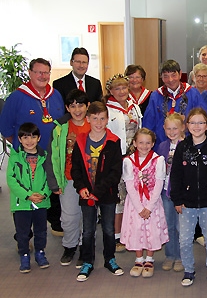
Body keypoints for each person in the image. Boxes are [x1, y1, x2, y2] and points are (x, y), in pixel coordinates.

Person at [0, 57, 65, 236]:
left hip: (51, 155)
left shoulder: (55, 94)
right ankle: (24, 233)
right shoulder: (17, 97)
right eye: (39, 72)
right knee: (24, 191)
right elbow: (5, 127)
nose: (43, 76)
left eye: (46, 72)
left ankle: (54, 224)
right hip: (25, 155)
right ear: (30, 73)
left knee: (49, 188)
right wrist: (22, 145)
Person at [71, 101, 124, 282]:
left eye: (102, 118)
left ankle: (110, 259)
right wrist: (82, 188)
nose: (99, 123)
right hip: (86, 194)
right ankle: (87, 261)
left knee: (109, 229)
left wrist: (98, 191)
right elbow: (75, 168)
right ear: (88, 119)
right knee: (88, 230)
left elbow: (115, 172)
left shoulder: (114, 142)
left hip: (106, 194)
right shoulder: (80, 141)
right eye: (95, 119)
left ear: (107, 119)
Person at [170, 108, 207, 288]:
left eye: (201, 123)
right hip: (187, 203)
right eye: (193, 123)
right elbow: (175, 175)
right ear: (186, 125)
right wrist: (177, 199)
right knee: (185, 239)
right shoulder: (183, 146)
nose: (197, 126)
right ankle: (188, 270)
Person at [44, 89, 90, 268]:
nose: (77, 110)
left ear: (87, 106)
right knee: (69, 216)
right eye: (73, 106)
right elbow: (51, 156)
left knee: (88, 217)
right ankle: (70, 246)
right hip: (68, 178)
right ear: (67, 108)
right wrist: (54, 182)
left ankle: (86, 247)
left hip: (89, 180)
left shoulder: (94, 125)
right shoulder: (60, 128)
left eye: (80, 105)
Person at [121, 128, 169, 278]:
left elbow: (159, 184)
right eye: (141, 142)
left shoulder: (158, 160)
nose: (144, 146)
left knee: (151, 229)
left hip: (152, 202)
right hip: (135, 203)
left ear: (153, 143)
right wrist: (139, 207)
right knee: (136, 228)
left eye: (148, 143)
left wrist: (149, 207)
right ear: (134, 143)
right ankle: (138, 258)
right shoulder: (128, 161)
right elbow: (129, 185)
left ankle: (149, 258)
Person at [104, 73, 142, 253]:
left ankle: (131, 232)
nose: (121, 91)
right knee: (118, 197)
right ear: (110, 91)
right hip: (116, 158)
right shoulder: (107, 109)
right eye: (117, 88)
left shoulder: (134, 106)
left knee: (133, 195)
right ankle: (117, 236)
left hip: (134, 157)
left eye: (124, 88)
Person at [7, 122, 52, 273]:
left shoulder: (45, 157)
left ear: (39, 138)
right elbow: (11, 180)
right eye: (25, 137)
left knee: (41, 231)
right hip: (22, 203)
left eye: (33, 137)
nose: (29, 141)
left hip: (41, 201)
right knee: (23, 232)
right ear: (19, 139)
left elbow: (50, 178)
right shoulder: (15, 157)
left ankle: (40, 253)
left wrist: (44, 194)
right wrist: (27, 195)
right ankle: (24, 256)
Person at [142, 59, 207, 149]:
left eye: (174, 75)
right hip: (161, 146)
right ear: (161, 77)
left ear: (180, 74)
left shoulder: (192, 93)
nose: (170, 80)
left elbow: (204, 119)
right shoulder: (156, 96)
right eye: (166, 76)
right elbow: (148, 124)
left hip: (189, 145)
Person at [155, 113, 185, 272]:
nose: (172, 131)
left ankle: (181, 257)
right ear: (164, 129)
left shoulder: (186, 145)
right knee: (168, 225)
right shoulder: (162, 146)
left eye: (175, 128)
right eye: (169, 128)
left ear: (182, 128)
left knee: (181, 227)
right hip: (166, 192)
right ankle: (170, 255)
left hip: (181, 194)